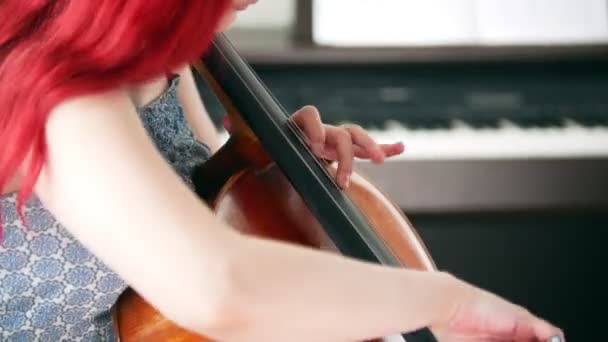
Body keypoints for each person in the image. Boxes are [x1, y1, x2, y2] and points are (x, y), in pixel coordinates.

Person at [0, 1, 564, 341]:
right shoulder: (64, 98)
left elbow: (199, 192)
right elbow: (217, 283)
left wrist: (260, 155)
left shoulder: (167, 63)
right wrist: (444, 302)